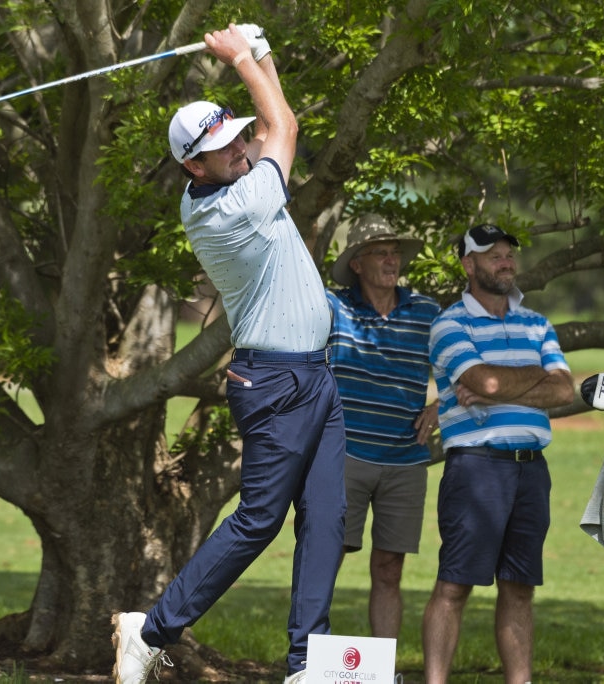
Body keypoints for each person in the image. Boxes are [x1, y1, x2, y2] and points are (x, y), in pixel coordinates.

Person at [113, 24, 346, 684]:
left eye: (239, 135)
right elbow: (286, 132)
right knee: (259, 521)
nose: (242, 147)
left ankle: (308, 664)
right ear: (194, 166)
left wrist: (263, 45)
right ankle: (151, 630)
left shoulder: (239, 176)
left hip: (313, 377)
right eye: (224, 146)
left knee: (326, 517)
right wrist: (242, 57)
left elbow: (281, 122)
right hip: (275, 382)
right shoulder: (229, 209)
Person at [421, 223, 574, 684]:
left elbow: (565, 390)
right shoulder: (450, 323)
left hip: (531, 469)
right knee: (454, 585)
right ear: (469, 265)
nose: (505, 262)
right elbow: (483, 381)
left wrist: (495, 388)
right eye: (493, 256)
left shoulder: (537, 323)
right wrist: (523, 380)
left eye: (509, 254)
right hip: (476, 468)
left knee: (520, 588)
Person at [326, 214, 440, 640]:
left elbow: (463, 365)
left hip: (405, 461)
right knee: (327, 557)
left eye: (395, 253)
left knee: (390, 568)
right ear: (357, 263)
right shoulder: (333, 307)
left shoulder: (426, 312)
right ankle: (304, 659)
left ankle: (382, 666)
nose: (392, 261)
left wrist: (442, 406)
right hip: (344, 457)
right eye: (381, 253)